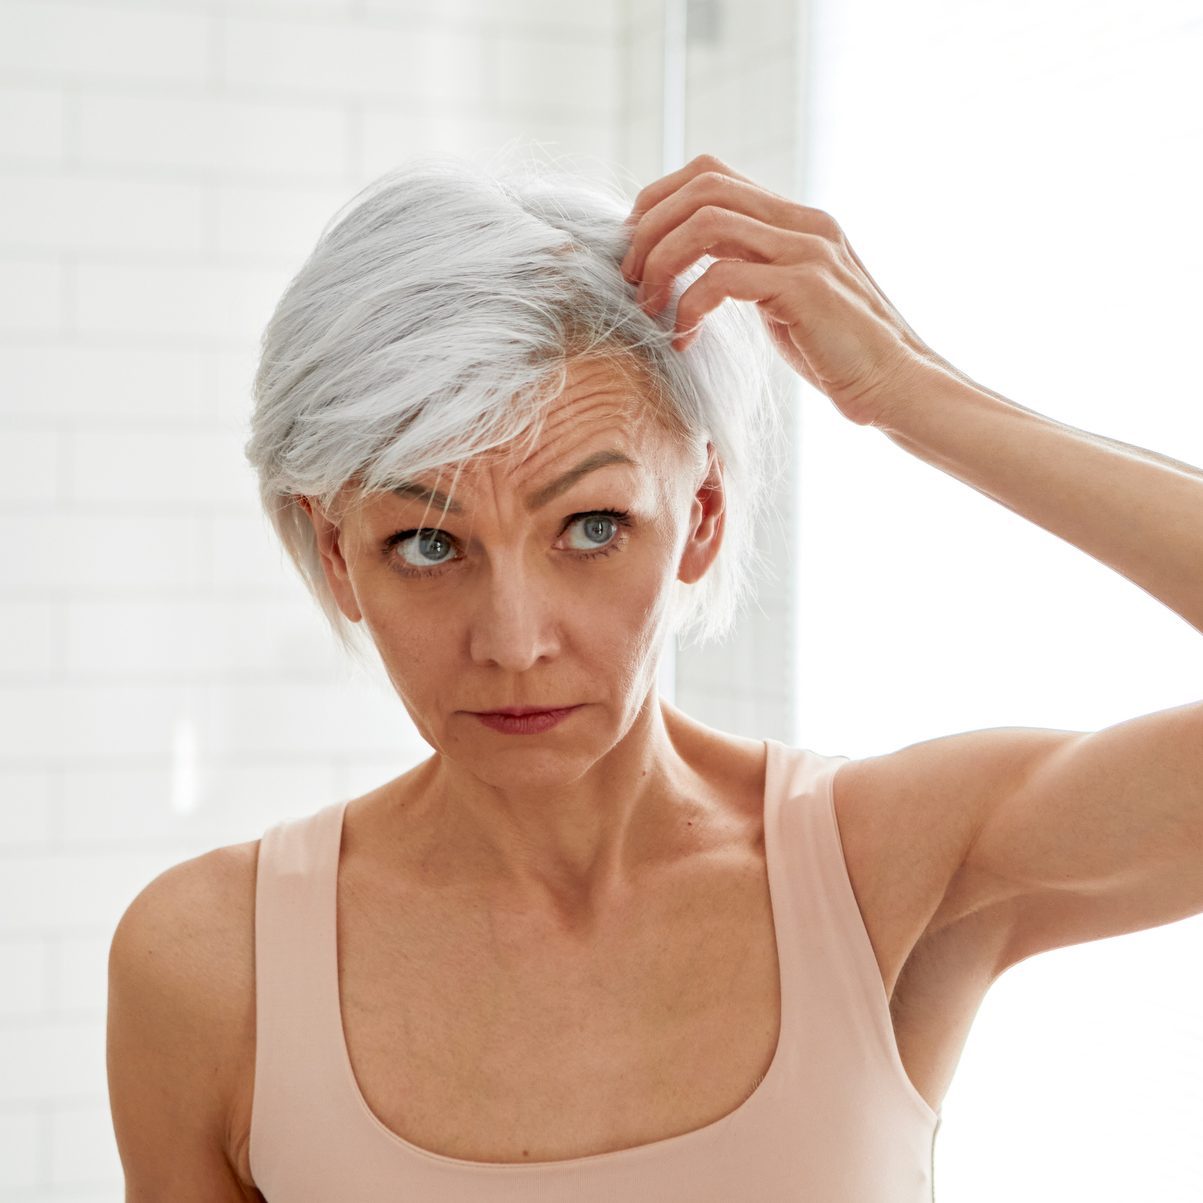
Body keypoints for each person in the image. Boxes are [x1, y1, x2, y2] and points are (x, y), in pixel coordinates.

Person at [106, 150, 1203, 1201]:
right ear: (338, 553)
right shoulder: (214, 964)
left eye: (591, 526)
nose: (514, 641)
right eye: (429, 545)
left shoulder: (883, 872)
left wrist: (911, 392)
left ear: (702, 521)